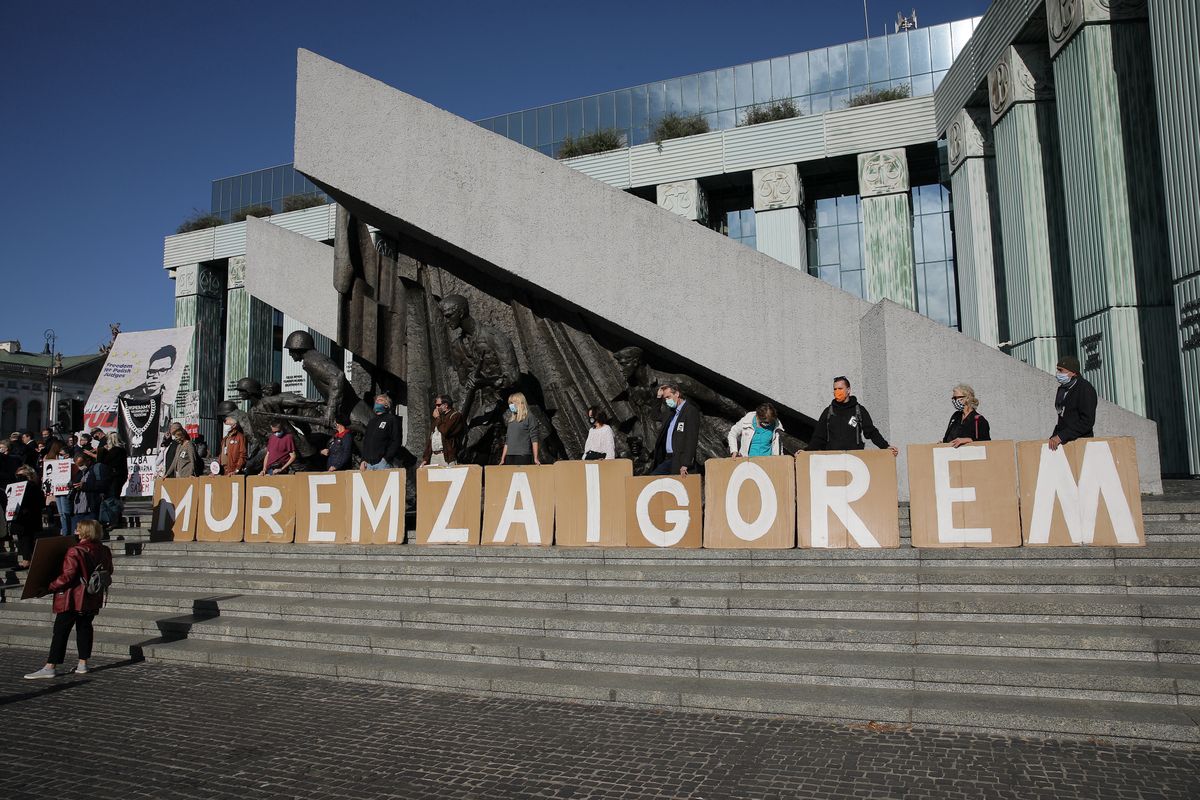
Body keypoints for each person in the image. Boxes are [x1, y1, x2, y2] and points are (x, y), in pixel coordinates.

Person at [23, 519, 114, 679]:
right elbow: (109, 571)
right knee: (84, 628)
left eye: (78, 529)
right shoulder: (104, 550)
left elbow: (68, 576)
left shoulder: (75, 551)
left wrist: (48, 587)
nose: (76, 532)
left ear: (85, 531)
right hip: (92, 596)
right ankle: (83, 664)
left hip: (72, 598)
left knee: (60, 631)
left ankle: (50, 666)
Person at [806, 376, 898, 456]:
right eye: (835, 389)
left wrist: (886, 446)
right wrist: (805, 452)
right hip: (833, 459)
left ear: (848, 390)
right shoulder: (828, 412)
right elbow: (818, 437)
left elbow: (871, 432)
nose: (837, 391)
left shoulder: (859, 410)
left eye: (840, 389)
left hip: (855, 459)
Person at [651, 382, 702, 475]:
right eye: (665, 399)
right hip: (668, 458)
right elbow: (654, 415)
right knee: (653, 479)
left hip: (680, 460)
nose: (666, 401)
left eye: (668, 397)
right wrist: (658, 397)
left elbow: (691, 439)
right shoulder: (670, 412)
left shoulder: (690, 411)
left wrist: (686, 464)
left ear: (677, 394)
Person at [1049, 355, 1097, 452]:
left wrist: (1061, 437)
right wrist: (1054, 436)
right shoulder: (1062, 389)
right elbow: (1062, 417)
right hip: (1065, 443)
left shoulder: (1085, 389)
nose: (1057, 373)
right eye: (1057, 370)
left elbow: (1087, 422)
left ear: (1073, 372)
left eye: (1061, 370)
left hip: (1081, 443)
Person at [10, 465, 44, 569]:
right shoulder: (16, 487)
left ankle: (27, 561)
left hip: (29, 518)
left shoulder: (32, 486)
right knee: (22, 539)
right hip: (19, 518)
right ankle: (28, 559)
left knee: (27, 539)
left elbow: (38, 502)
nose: (19, 477)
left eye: (22, 475)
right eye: (17, 475)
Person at [421, 394, 466, 467]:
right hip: (434, 456)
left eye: (438, 405)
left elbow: (445, 431)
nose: (436, 407)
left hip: (447, 456)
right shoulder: (439, 418)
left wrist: (438, 418)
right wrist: (426, 458)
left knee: (448, 477)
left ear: (445, 405)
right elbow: (432, 439)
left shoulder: (455, 416)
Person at [360, 394, 402, 471]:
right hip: (368, 464)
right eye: (376, 401)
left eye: (380, 400)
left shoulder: (391, 419)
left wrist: (386, 458)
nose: (377, 402)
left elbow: (396, 440)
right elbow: (366, 442)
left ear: (386, 405)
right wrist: (363, 460)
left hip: (383, 463)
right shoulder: (372, 422)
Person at [500, 392, 542, 466]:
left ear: (520, 403)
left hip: (523, 455)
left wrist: (536, 457)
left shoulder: (529, 417)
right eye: (510, 403)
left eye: (513, 403)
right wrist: (503, 458)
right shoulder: (511, 420)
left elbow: (534, 438)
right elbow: (507, 441)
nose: (511, 405)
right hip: (509, 456)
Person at [71, 454, 109, 529]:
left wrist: (84, 486)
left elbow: (102, 486)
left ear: (88, 461)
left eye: (81, 464)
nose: (80, 467)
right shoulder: (80, 472)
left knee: (90, 533)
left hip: (90, 508)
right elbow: (75, 482)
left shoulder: (97, 468)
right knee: (76, 533)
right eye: (78, 465)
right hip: (78, 508)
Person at [48, 446, 78, 536]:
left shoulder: (72, 463)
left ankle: (67, 533)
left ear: (67, 455)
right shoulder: (58, 464)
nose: (58, 456)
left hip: (66, 491)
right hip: (58, 490)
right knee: (61, 513)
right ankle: (65, 531)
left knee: (66, 513)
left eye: (60, 454)